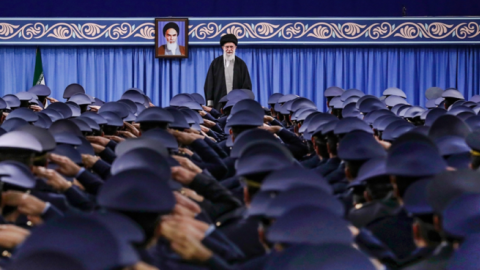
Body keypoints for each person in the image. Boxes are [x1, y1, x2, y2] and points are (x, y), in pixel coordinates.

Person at [204, 34, 252, 111]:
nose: (229, 49)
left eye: (231, 47)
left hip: (237, 104)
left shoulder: (241, 64)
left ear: (235, 47)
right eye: (227, 47)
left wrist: (244, 101)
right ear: (222, 47)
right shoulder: (215, 63)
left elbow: (246, 85)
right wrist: (210, 104)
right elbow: (209, 84)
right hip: (219, 103)